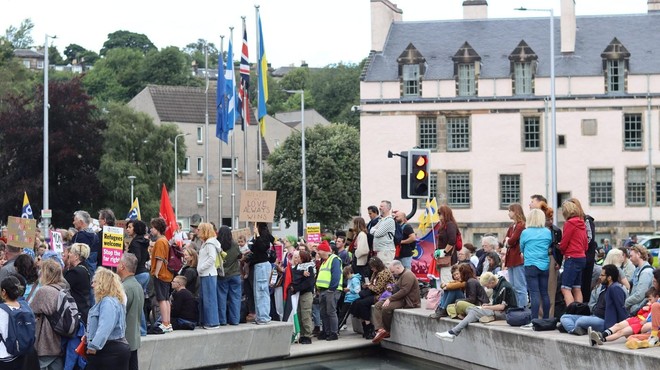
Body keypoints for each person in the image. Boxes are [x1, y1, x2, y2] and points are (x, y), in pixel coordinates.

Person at [435, 271, 518, 342]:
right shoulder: (497, 285)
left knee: (474, 311)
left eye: (487, 285)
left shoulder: (504, 287)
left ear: (492, 282)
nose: (487, 287)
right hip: (498, 310)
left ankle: (453, 332)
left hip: (506, 313)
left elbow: (502, 307)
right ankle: (453, 332)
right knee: (472, 309)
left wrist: (488, 307)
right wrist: (488, 305)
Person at [559, 264, 628, 335]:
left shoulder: (615, 288)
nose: (599, 277)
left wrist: (625, 324)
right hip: (594, 316)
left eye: (602, 275)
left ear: (609, 277)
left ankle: (578, 328)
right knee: (565, 317)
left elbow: (620, 307)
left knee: (580, 321)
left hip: (604, 321)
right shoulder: (605, 288)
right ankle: (574, 330)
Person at [85, 267, 130, 370]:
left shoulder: (107, 302)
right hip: (115, 349)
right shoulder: (115, 301)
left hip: (109, 350)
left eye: (95, 282)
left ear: (102, 283)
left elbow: (105, 326)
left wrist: (93, 346)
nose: (92, 285)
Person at [30, 259, 68, 370]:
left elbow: (32, 310)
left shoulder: (44, 291)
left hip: (46, 340)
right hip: (59, 338)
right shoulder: (63, 288)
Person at [372, 260, 421, 343]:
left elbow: (404, 291)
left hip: (408, 301)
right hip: (401, 298)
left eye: (393, 271)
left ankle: (387, 330)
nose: (392, 273)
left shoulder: (408, 275)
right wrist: (391, 288)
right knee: (377, 305)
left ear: (398, 267)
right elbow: (399, 289)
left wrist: (389, 299)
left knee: (386, 307)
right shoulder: (400, 275)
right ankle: (380, 329)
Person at [590, 287, 659, 346]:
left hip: (639, 324)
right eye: (648, 300)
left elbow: (653, 319)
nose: (648, 302)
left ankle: (601, 339)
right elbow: (639, 313)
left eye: (650, 299)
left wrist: (646, 320)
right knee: (617, 325)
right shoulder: (649, 304)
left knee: (621, 332)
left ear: (657, 297)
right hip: (635, 319)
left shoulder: (656, 306)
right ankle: (601, 335)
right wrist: (643, 309)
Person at [350, 257, 394, 340]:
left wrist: (369, 286)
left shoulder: (384, 273)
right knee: (356, 302)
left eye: (372, 267)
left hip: (381, 295)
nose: (371, 269)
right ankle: (366, 327)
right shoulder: (375, 272)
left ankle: (369, 327)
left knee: (362, 303)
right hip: (373, 292)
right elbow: (373, 284)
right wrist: (367, 285)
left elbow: (378, 289)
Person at [520, 209, 552, 319]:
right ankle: (546, 319)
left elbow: (522, 248)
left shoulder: (525, 232)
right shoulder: (547, 231)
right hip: (544, 264)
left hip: (530, 264)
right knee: (544, 293)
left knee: (534, 293)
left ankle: (534, 320)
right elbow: (548, 245)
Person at [0, 275, 36, 369]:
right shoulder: (25, 307)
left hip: (4, 355)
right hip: (21, 354)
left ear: (4, 292)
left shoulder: (2, 310)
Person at [117, 253, 144, 370]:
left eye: (118, 263)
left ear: (122, 266)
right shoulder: (137, 286)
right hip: (133, 339)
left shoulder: (124, 288)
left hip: (123, 340)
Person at [559, 200, 588, 306]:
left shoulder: (569, 223)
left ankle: (570, 314)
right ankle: (578, 314)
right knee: (577, 288)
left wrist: (561, 249)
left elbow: (564, 242)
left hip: (572, 257)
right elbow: (586, 244)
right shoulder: (582, 223)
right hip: (581, 257)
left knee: (565, 288)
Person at [149, 217, 174, 333]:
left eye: (152, 228)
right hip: (167, 274)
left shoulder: (160, 242)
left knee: (162, 299)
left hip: (161, 274)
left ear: (157, 229)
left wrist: (156, 273)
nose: (151, 230)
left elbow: (159, 259)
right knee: (166, 299)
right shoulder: (165, 240)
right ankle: (167, 322)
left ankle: (164, 323)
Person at [315, 240, 342, 341]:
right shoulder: (324, 261)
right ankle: (327, 332)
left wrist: (331, 289)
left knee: (331, 311)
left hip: (331, 290)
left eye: (319, 251)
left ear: (324, 251)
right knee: (324, 312)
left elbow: (336, 275)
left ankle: (333, 332)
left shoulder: (334, 259)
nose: (318, 253)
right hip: (323, 290)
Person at [196, 222, 221, 329]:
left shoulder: (209, 244)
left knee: (209, 299)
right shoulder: (207, 243)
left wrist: (201, 268)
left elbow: (212, 258)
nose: (197, 231)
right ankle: (208, 321)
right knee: (206, 298)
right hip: (206, 274)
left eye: (199, 229)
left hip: (208, 273)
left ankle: (212, 322)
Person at [504, 203, 527, 309]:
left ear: (515, 211)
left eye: (510, 210)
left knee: (519, 286)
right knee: (513, 286)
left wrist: (508, 241)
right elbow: (506, 240)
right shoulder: (512, 226)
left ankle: (522, 307)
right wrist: (508, 241)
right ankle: (516, 306)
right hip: (511, 259)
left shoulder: (520, 225)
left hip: (518, 259)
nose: (508, 213)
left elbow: (511, 240)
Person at [290, 250, 316, 344]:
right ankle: (302, 334)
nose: (297, 259)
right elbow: (293, 273)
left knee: (306, 315)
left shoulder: (309, 267)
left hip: (306, 294)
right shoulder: (298, 267)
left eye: (299, 257)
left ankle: (307, 335)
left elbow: (309, 282)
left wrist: (296, 288)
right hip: (299, 295)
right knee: (300, 315)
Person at [217, 226, 241, 326]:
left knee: (221, 298)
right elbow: (239, 255)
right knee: (235, 298)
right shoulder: (234, 244)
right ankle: (235, 320)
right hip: (235, 274)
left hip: (222, 275)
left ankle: (222, 320)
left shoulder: (218, 245)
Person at [63, 243, 92, 326]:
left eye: (71, 252)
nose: (69, 254)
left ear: (76, 256)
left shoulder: (76, 272)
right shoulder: (85, 268)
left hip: (76, 312)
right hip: (83, 310)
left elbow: (62, 287)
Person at [251, 222, 274, 325]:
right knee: (258, 292)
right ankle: (260, 316)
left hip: (262, 265)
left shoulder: (263, 237)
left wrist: (258, 236)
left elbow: (262, 247)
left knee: (261, 291)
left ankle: (264, 316)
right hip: (259, 265)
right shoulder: (262, 236)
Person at [625, 245, 654, 316]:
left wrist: (626, 302)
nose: (630, 259)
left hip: (639, 311)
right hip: (636, 309)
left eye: (631, 256)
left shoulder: (646, 272)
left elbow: (640, 295)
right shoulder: (638, 270)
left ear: (638, 254)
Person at [71, 210, 101, 276]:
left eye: (75, 220)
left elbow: (74, 255)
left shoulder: (78, 236)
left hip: (79, 272)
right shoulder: (96, 236)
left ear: (81, 222)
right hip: (92, 271)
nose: (73, 222)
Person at [437, 205, 460, 283]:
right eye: (439, 214)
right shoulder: (444, 225)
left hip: (448, 257)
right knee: (443, 279)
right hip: (443, 256)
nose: (439, 216)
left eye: (441, 214)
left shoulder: (450, 225)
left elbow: (452, 240)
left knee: (447, 280)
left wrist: (444, 252)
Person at [370, 201, 396, 266]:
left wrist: (375, 230)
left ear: (388, 208)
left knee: (385, 270)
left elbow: (377, 234)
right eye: (380, 206)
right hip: (381, 251)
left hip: (386, 251)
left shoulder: (389, 220)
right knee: (381, 270)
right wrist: (375, 230)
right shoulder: (382, 220)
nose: (380, 208)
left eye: (382, 206)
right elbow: (371, 230)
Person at [338, 265, 361, 330]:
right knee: (342, 314)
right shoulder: (350, 279)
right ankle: (337, 327)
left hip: (351, 299)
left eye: (346, 275)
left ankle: (337, 328)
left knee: (343, 315)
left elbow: (357, 290)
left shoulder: (354, 280)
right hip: (348, 298)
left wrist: (349, 290)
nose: (346, 277)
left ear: (349, 273)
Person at [351, 217, 370, 284]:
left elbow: (364, 250)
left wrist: (356, 253)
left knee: (362, 278)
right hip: (357, 261)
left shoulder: (362, 235)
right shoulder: (358, 235)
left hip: (360, 261)